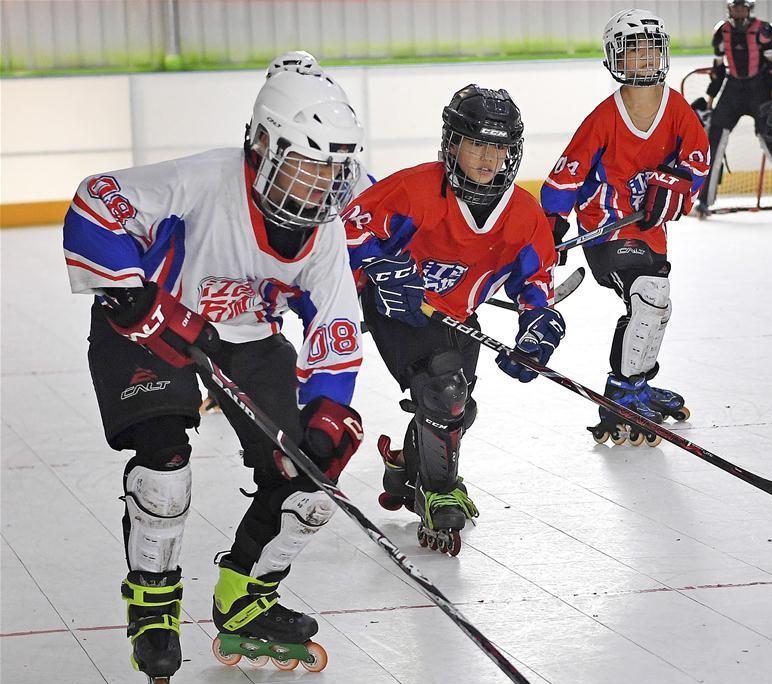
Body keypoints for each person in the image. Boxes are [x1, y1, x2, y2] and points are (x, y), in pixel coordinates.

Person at [62, 64, 366, 684]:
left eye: (328, 171)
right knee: (165, 466)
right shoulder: (204, 179)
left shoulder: (325, 231)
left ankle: (245, 596)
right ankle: (152, 597)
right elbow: (95, 201)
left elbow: (334, 319)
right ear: (258, 145)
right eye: (301, 165)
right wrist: (125, 291)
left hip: (246, 335)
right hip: (153, 320)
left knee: (310, 480)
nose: (316, 187)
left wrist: (329, 410)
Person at [342, 84, 563, 556]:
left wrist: (539, 322)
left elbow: (535, 278)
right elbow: (348, 231)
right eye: (478, 143)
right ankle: (440, 490)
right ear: (452, 144)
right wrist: (380, 268)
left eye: (500, 146)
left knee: (456, 409)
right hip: (398, 311)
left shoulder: (522, 213)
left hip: (456, 316)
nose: (489, 157)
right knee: (444, 390)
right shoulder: (415, 188)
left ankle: (406, 467)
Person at [541, 8, 709, 446]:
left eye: (652, 50)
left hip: (649, 230)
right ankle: (624, 389)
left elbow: (697, 163)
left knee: (656, 304)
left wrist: (679, 184)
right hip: (606, 228)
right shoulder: (603, 118)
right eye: (634, 52)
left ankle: (635, 383)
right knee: (649, 296)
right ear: (616, 59)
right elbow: (567, 174)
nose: (645, 60)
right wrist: (552, 224)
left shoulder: (677, 110)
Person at [200, 49, 376, 414]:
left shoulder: (332, 151)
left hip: (321, 251)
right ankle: (232, 376)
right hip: (283, 250)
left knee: (314, 308)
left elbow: (369, 206)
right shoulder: (275, 142)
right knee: (255, 302)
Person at [694, 0, 772, 217]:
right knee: (712, 140)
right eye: (735, 7)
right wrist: (710, 102)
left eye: (743, 7)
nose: (739, 11)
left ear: (749, 9)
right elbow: (718, 70)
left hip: (759, 91)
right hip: (732, 89)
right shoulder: (721, 32)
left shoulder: (764, 30)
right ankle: (703, 200)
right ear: (729, 9)